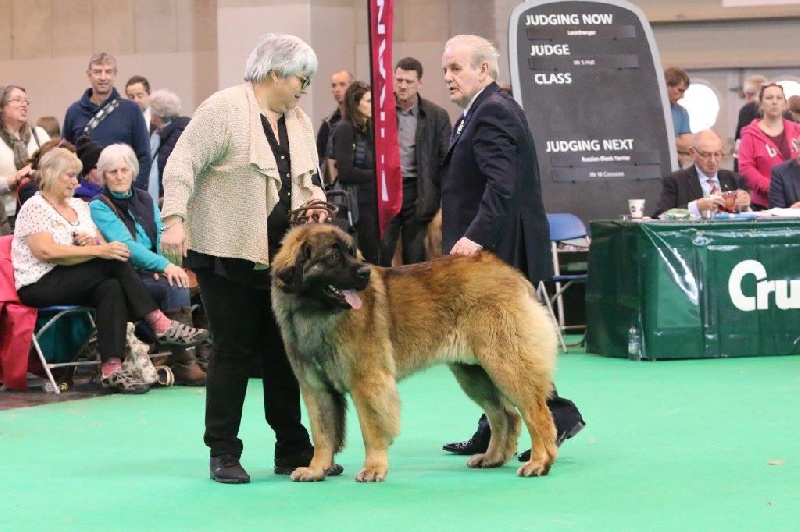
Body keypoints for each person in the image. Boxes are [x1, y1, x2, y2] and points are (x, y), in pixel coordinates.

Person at [159, 33, 339, 484]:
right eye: (301, 79)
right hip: (226, 253)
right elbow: (181, 164)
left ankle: (291, 448)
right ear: (275, 73)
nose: (305, 88)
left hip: (282, 260)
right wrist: (173, 218)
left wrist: (316, 204)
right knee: (233, 351)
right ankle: (223, 450)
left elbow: (309, 180)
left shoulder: (298, 120)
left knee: (283, 353)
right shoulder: (223, 109)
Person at [439, 34, 585, 459]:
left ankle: (558, 416)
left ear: (483, 69)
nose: (447, 77)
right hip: (494, 248)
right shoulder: (481, 109)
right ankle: (494, 427)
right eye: (445, 69)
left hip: (500, 250)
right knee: (490, 347)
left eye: (455, 68)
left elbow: (502, 187)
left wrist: (474, 238)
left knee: (506, 349)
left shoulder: (492, 112)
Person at [10, 147, 208, 394]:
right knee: (112, 260)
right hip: (39, 283)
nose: (76, 182)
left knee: (111, 286)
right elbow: (45, 251)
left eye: (77, 176)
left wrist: (91, 243)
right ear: (51, 174)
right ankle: (159, 323)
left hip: (74, 277)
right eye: (69, 176)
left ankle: (111, 367)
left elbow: (101, 244)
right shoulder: (35, 206)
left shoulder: (79, 206)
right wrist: (97, 250)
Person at [89, 143, 205, 385]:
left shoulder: (145, 197)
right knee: (175, 284)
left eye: (124, 170)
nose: (119, 176)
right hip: (126, 277)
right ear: (104, 176)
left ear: (133, 171)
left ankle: (202, 357)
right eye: (112, 172)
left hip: (152, 270)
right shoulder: (99, 205)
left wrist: (163, 265)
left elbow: (161, 234)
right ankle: (185, 364)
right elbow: (127, 247)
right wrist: (163, 266)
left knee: (199, 282)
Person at [380, 57, 451, 266]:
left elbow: (445, 161)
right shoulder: (381, 112)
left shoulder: (436, 116)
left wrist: (441, 198)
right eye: (399, 80)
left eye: (409, 82)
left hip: (418, 191)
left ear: (420, 83)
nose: (403, 86)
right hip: (387, 189)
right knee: (382, 252)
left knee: (415, 258)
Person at [62, 53, 151, 190]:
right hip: (82, 194)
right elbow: (65, 156)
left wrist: (131, 191)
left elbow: (144, 157)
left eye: (108, 72)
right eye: (98, 72)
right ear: (89, 75)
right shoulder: (74, 112)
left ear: (115, 74)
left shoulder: (132, 110)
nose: (103, 78)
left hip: (124, 193)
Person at [331, 81, 382, 264]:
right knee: (363, 254)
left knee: (376, 252)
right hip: (355, 203)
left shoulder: (368, 127)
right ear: (356, 103)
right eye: (368, 101)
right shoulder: (344, 128)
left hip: (369, 199)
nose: (372, 106)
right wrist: (377, 175)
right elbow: (345, 172)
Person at [652, 129, 750, 218]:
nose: (712, 161)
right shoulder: (676, 181)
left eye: (717, 154)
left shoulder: (735, 179)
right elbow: (660, 216)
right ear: (692, 153)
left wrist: (745, 207)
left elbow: (752, 217)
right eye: (706, 155)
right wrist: (695, 207)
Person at [738, 83, 800, 210]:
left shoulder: (797, 129)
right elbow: (746, 169)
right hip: (763, 204)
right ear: (761, 104)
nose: (774, 102)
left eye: (779, 98)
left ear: (785, 104)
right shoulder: (750, 134)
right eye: (769, 98)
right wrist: (775, 187)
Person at [1, 85, 50, 231]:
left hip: (42, 210)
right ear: (2, 107)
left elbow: (57, 167)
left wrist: (34, 171)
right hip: (6, 216)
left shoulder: (39, 134)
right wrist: (12, 180)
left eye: (26, 101)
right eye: (17, 100)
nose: (24, 105)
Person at [148, 89, 191, 198]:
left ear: (157, 114)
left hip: (169, 196)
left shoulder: (178, 133)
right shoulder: (157, 134)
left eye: (151, 110)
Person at [316, 70, 353, 183]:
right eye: (334, 86)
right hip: (335, 183)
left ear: (352, 86)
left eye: (342, 84)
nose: (337, 90)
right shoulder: (327, 125)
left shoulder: (362, 121)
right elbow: (319, 157)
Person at [733, 75, 767, 171]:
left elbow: (741, 138)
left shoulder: (747, 110)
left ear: (748, 94)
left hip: (750, 162)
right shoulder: (777, 110)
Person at [664, 66, 693, 168]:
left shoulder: (682, 112)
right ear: (667, 86)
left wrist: (663, 139)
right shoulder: (648, 110)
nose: (682, 96)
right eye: (680, 90)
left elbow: (687, 145)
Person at [73, 136, 105, 201]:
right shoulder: (82, 198)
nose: (103, 171)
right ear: (86, 174)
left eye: (106, 166)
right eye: (97, 167)